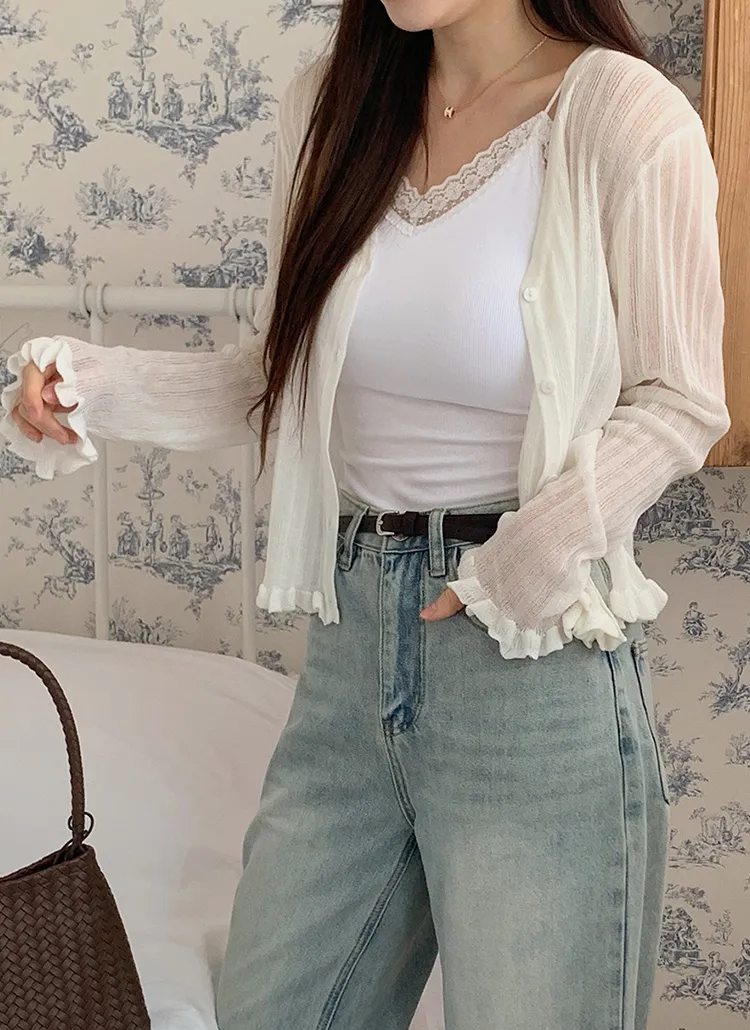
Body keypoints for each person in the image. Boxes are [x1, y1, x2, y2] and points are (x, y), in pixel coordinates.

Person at [0, 0, 731, 1025]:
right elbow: (283, 375)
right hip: (351, 653)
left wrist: (521, 563)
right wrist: (91, 387)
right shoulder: (332, 107)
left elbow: (679, 401)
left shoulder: (619, 113)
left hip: (532, 663)